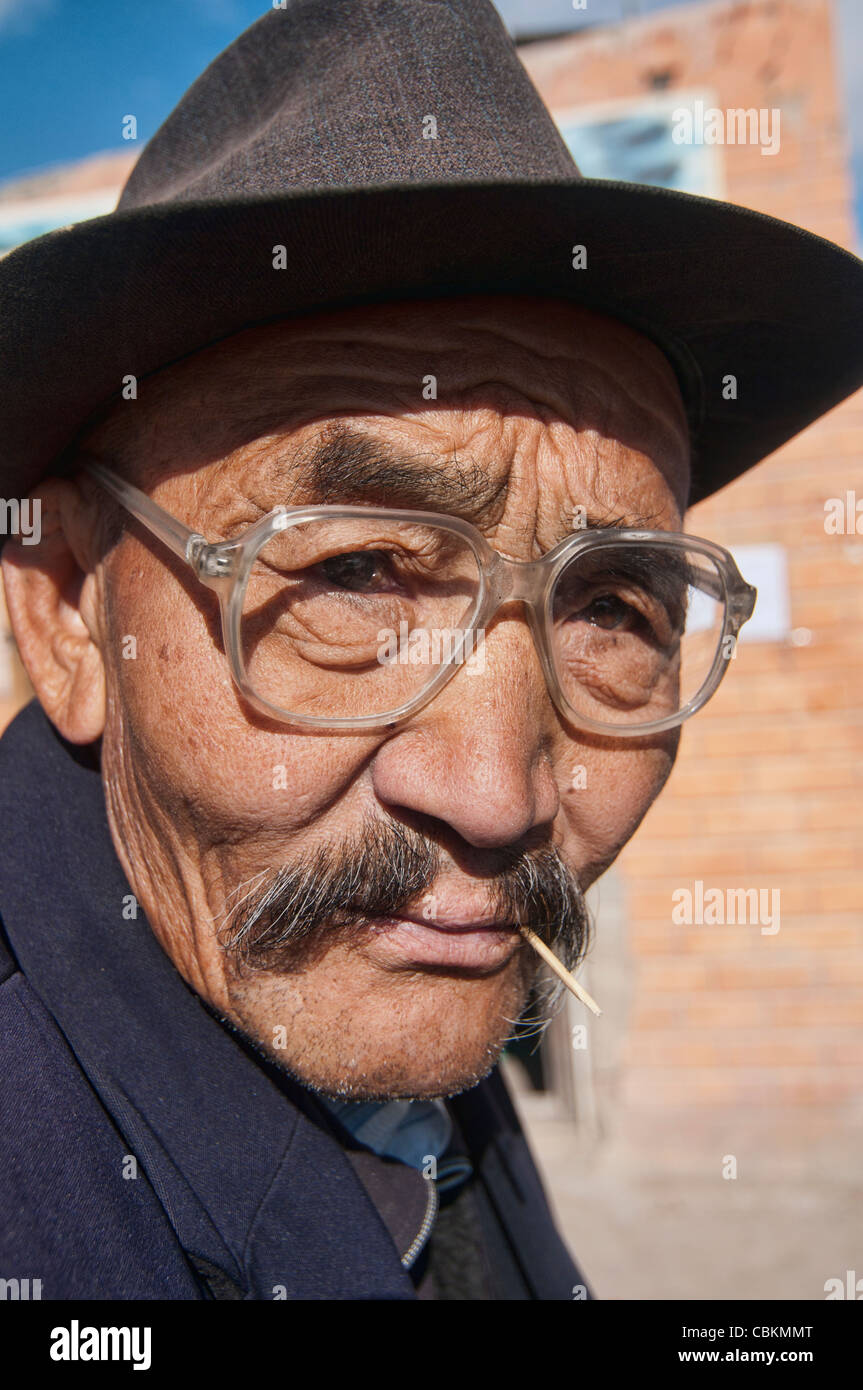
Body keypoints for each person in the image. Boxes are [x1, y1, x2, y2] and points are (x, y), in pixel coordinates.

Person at [0, 1, 860, 1301]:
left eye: (615, 604)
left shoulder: (391, 1014)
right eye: (353, 572)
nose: (501, 795)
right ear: (67, 607)